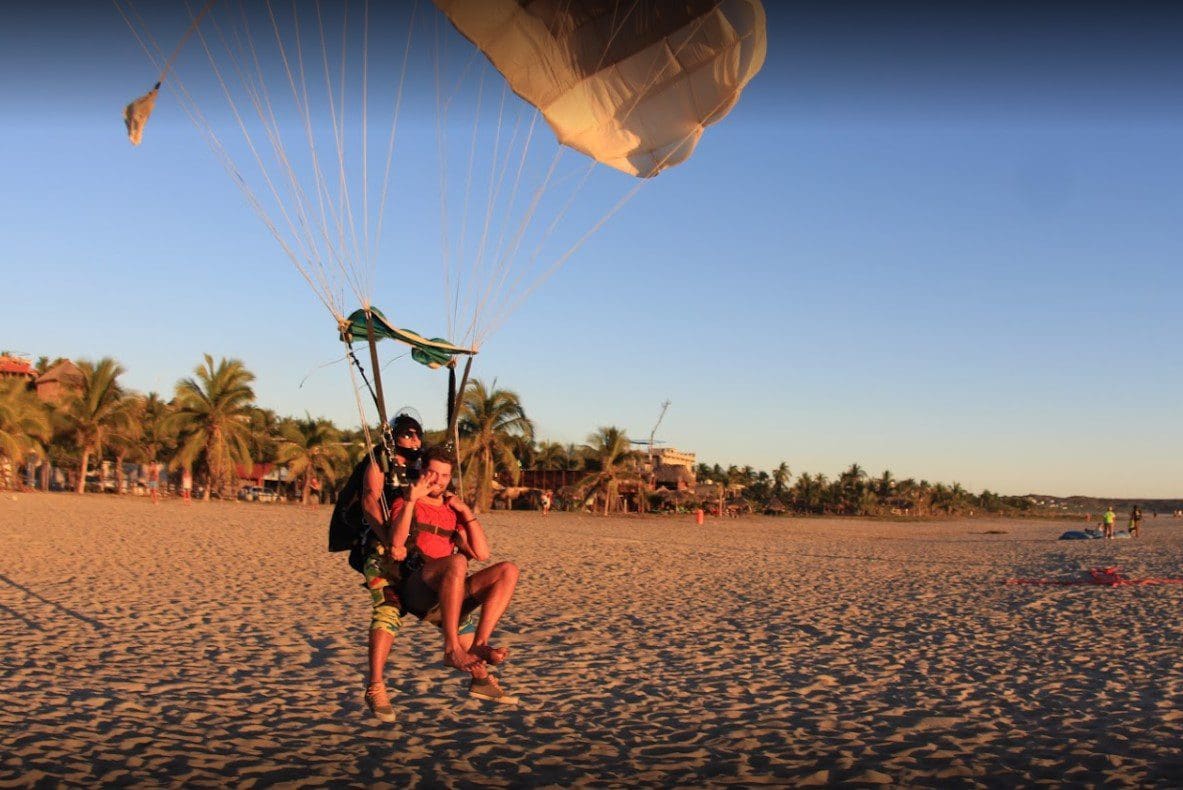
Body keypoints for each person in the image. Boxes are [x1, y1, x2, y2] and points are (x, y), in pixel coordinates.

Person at [387, 445, 519, 703]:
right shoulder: (405, 501)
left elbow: (482, 554)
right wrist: (412, 501)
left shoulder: (451, 509)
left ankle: (480, 642)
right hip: (419, 589)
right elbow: (396, 543)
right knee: (457, 561)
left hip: (452, 591)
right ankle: (451, 648)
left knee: (508, 570)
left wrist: (465, 511)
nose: (438, 480)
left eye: (445, 475)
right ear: (422, 471)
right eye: (433, 473)